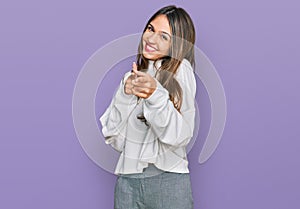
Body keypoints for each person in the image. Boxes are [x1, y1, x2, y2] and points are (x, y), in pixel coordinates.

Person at [100, 5, 197, 209]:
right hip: (128, 183)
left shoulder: (181, 70)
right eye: (151, 29)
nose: (151, 39)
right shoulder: (132, 77)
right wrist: (125, 96)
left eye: (164, 36)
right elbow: (115, 139)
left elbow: (179, 136)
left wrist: (155, 94)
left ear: (177, 45)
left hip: (169, 182)